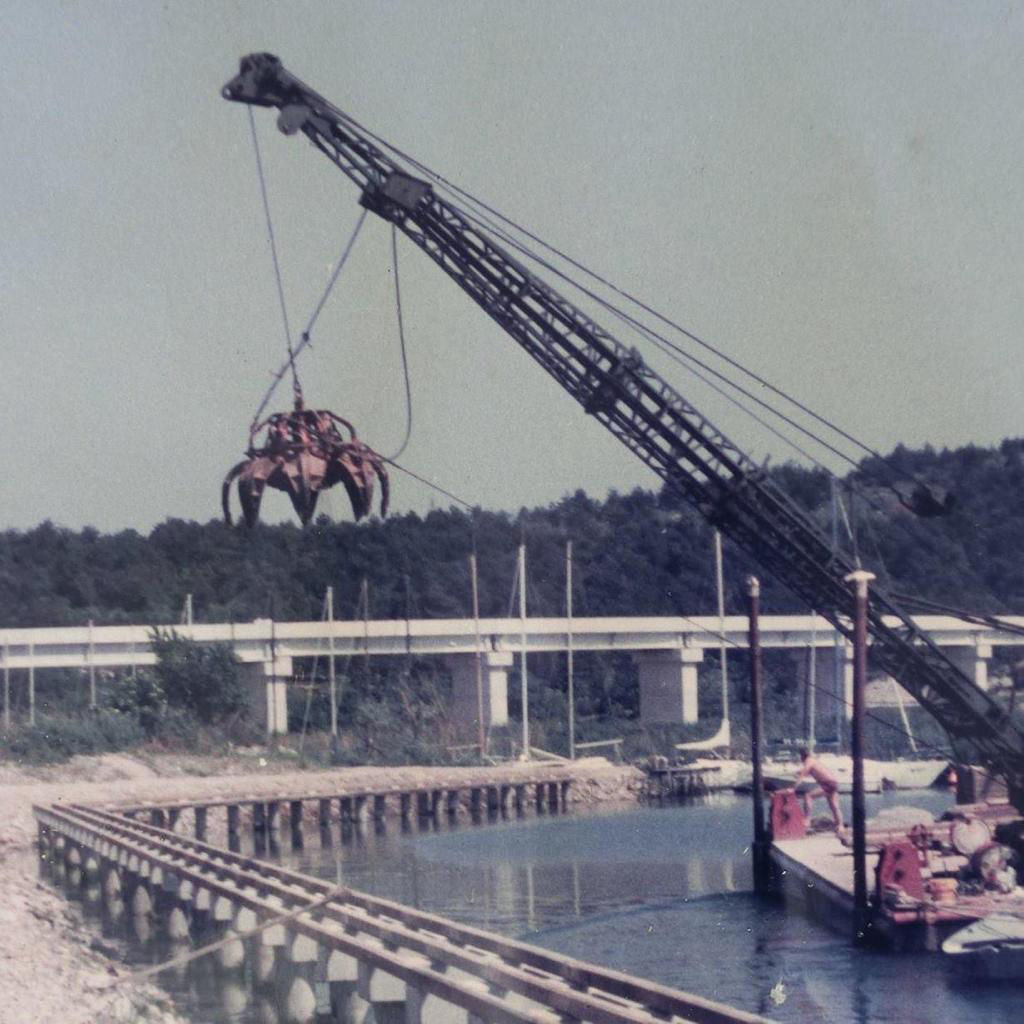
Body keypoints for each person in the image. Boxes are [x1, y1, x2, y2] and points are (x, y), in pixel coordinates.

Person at [794, 748, 843, 831]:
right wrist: (798, 772)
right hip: (833, 782)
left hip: (828, 783)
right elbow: (814, 771)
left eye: (800, 757)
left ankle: (807, 820)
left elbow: (803, 774)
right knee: (834, 806)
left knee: (808, 796)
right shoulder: (813, 761)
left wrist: (793, 788)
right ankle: (840, 826)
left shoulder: (809, 761)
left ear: (802, 756)